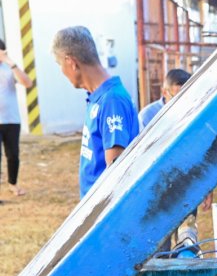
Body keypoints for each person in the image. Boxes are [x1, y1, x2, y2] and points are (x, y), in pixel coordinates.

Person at [52, 26, 138, 198]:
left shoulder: (111, 101)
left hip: (104, 213)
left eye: (59, 64)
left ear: (71, 62)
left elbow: (116, 172)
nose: (61, 72)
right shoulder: (97, 97)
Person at [0, 39, 33, 199]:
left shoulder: (10, 68)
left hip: (12, 120)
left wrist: (10, 62)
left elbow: (27, 83)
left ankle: (13, 184)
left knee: (13, 155)